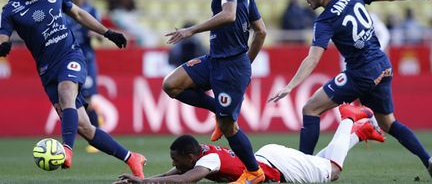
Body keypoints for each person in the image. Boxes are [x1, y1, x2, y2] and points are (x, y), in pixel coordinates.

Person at [268, 0, 432, 177]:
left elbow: (313, 59)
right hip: (383, 66)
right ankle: (428, 159)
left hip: (360, 73)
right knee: (388, 123)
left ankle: (302, 169)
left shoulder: (325, 21)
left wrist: (290, 86)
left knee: (310, 109)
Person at [0, 0, 145, 177]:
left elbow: (78, 14)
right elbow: (3, 35)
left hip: (71, 55)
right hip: (47, 71)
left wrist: (108, 32)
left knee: (66, 91)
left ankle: (66, 150)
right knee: (85, 128)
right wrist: (3, 47)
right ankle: (132, 158)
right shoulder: (11, 9)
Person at [162, 0, 267, 184]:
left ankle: (254, 171)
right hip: (215, 60)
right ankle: (218, 111)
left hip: (229, 65)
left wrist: (192, 30)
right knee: (172, 85)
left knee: (229, 128)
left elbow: (229, 14)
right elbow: (261, 31)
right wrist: (247, 63)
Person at [114, 104, 385, 183]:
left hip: (278, 167)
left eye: (176, 160)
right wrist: (142, 181)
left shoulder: (208, 161)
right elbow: (170, 176)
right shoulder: (200, 156)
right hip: (270, 159)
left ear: (189, 156)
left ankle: (348, 119)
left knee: (333, 172)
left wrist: (143, 182)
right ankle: (359, 134)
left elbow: (183, 181)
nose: (173, 164)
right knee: (322, 166)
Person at [65, 0, 102, 153]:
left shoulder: (92, 10)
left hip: (86, 60)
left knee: (88, 99)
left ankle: (95, 138)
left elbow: (102, 35)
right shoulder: (64, 10)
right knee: (71, 98)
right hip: (68, 60)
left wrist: (94, 32)